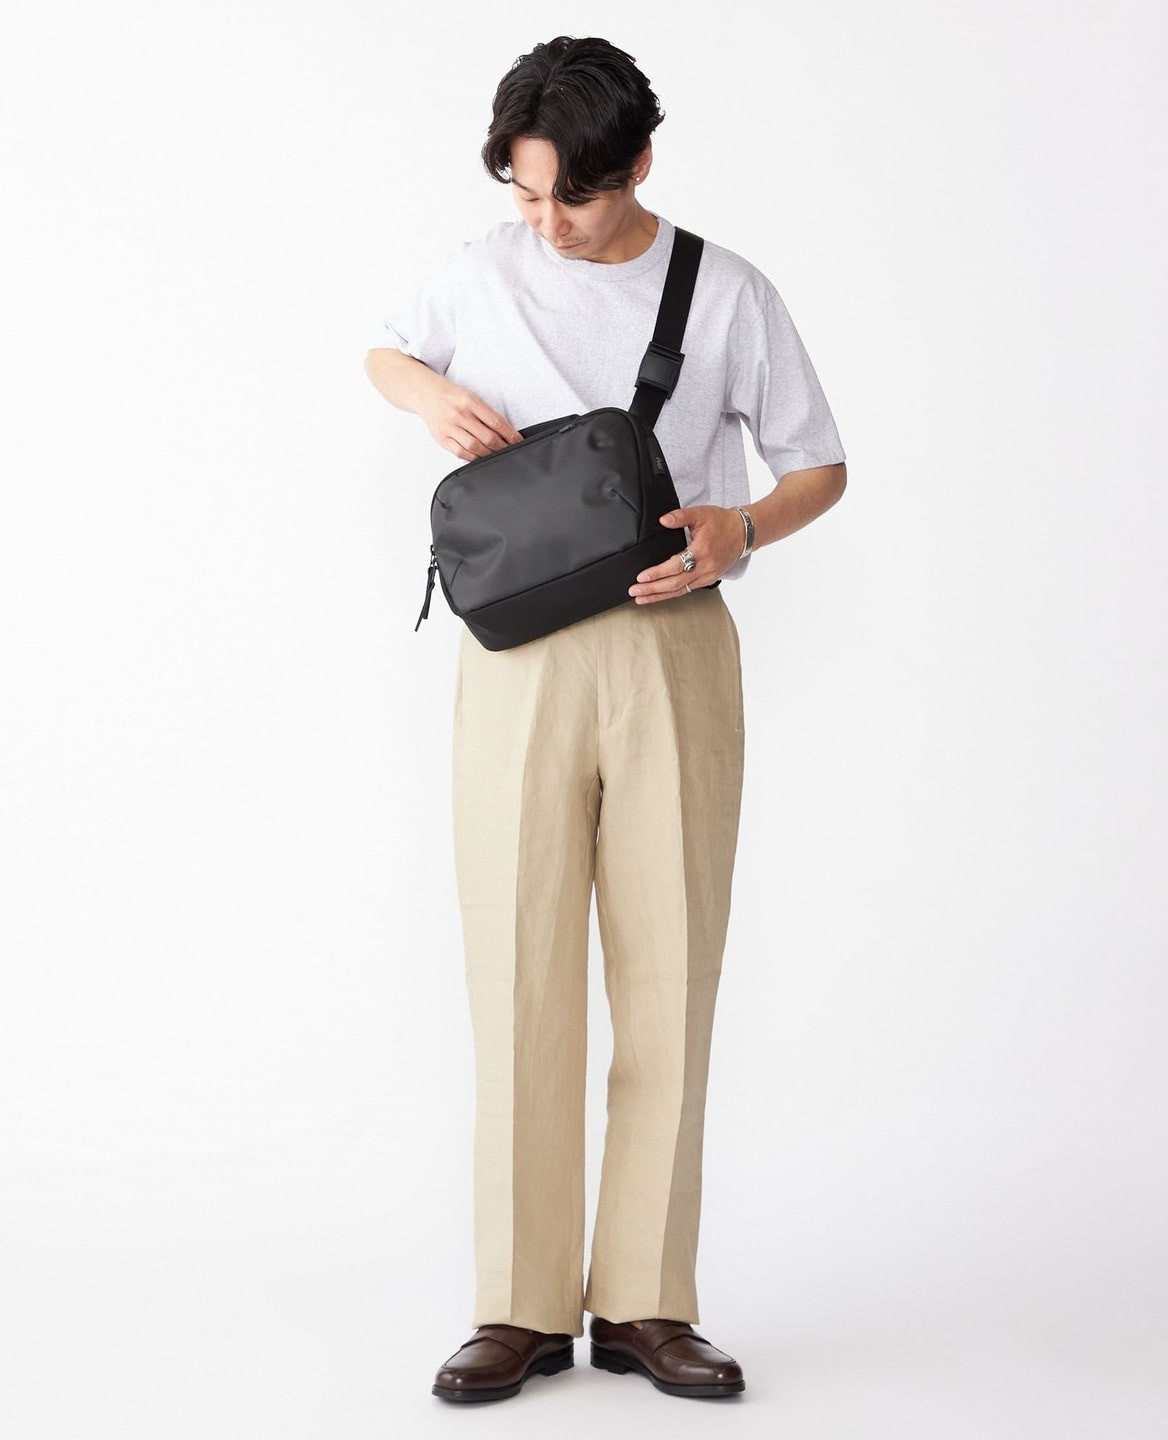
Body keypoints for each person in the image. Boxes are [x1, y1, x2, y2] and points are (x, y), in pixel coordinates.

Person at [364, 35, 847, 1404]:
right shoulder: (479, 267)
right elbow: (385, 354)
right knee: (517, 969)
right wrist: (429, 392)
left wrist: (741, 526)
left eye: (570, 195)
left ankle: (646, 1301)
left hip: (672, 646)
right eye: (525, 193)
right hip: (516, 655)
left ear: (637, 162)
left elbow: (819, 463)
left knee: (670, 972)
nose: (547, 222)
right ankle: (518, 1307)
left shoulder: (725, 289)